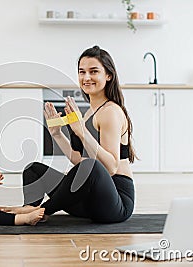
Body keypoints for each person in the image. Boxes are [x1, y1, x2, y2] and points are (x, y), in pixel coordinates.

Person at [18, 45, 136, 223]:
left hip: (115, 203)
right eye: (82, 72)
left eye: (93, 71)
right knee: (34, 169)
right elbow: (77, 159)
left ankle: (41, 211)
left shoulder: (111, 111)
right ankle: (30, 211)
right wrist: (57, 133)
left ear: (108, 75)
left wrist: (82, 132)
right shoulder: (89, 112)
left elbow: (111, 167)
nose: (86, 77)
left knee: (92, 166)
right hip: (89, 201)